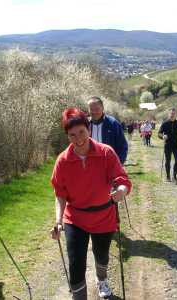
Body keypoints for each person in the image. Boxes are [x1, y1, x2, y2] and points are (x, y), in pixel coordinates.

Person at [50, 108, 132, 300]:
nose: (78, 138)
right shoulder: (62, 161)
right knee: (76, 264)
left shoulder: (106, 153)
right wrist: (59, 220)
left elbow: (122, 179)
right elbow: (60, 194)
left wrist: (121, 190)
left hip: (104, 216)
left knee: (101, 255)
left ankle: (101, 279)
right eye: (72, 135)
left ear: (88, 129)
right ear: (67, 135)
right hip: (75, 218)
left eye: (81, 132)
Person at [88, 96, 128, 164]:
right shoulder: (85, 125)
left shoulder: (113, 123)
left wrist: (118, 163)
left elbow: (123, 146)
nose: (94, 112)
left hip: (109, 166)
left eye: (97, 109)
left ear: (102, 108)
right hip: (90, 167)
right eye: (91, 109)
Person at [158, 108, 177, 183]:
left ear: (176, 114)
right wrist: (162, 137)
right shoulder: (165, 123)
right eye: (171, 114)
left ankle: (174, 176)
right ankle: (168, 176)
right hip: (168, 145)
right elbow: (159, 133)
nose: (172, 115)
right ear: (168, 114)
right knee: (168, 161)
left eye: (174, 113)